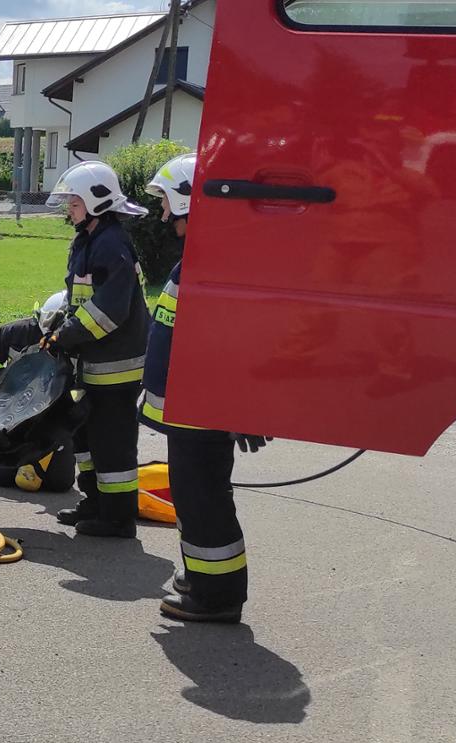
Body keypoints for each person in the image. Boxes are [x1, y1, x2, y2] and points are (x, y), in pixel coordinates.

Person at [140, 153, 265, 623]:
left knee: (204, 500)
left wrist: (245, 407)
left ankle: (217, 597)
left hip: (203, 411)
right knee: (195, 498)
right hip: (191, 410)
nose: (164, 214)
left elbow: (235, 344)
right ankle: (202, 576)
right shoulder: (206, 258)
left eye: (169, 203)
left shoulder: (217, 263)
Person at [43, 160, 150, 538]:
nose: (68, 210)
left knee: (113, 445)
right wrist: (59, 328)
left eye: (74, 203)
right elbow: (81, 300)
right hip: (93, 364)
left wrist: (67, 336)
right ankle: (94, 504)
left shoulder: (111, 244)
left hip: (116, 368)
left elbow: (109, 310)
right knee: (86, 438)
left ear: (97, 202)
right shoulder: (88, 239)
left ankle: (118, 519)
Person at [0, 291, 77, 493]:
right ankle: (23, 464)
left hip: (51, 420)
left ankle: (38, 463)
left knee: (59, 484)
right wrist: (5, 382)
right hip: (10, 415)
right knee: (2, 479)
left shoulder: (74, 342)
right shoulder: (15, 332)